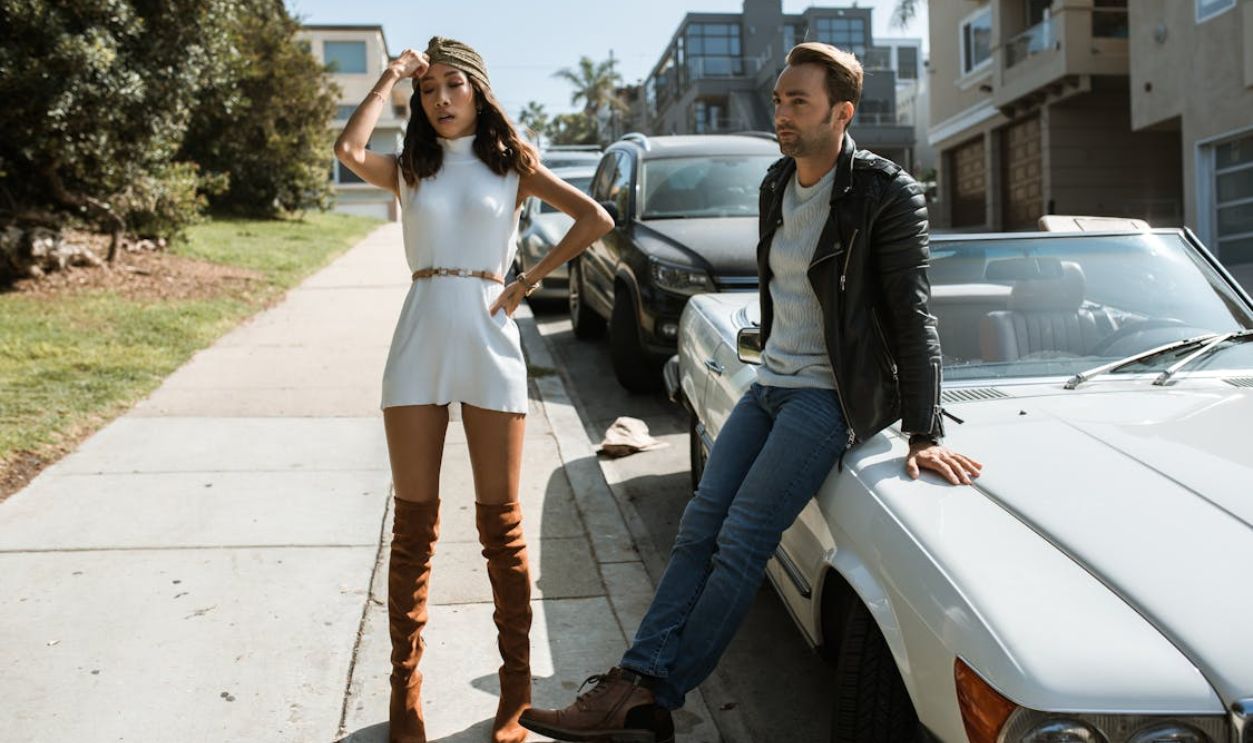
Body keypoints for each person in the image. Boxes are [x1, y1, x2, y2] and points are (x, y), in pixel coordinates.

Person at [520, 42, 982, 743]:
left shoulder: (885, 193)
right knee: (698, 525)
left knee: (741, 540)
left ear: (842, 112)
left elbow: (912, 313)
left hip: (826, 397)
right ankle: (636, 682)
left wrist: (922, 431)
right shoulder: (774, 183)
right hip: (769, 384)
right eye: (778, 101)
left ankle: (652, 693)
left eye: (798, 102)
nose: (782, 114)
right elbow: (780, 292)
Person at [333, 36, 613, 743]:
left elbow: (594, 218)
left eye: (453, 85)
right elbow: (345, 148)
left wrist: (524, 279)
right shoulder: (409, 169)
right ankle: (406, 693)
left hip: (489, 344)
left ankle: (513, 692)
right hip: (418, 339)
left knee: (501, 526)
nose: (441, 99)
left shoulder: (510, 167)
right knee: (413, 528)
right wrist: (391, 74)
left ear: (479, 92)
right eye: (429, 91)